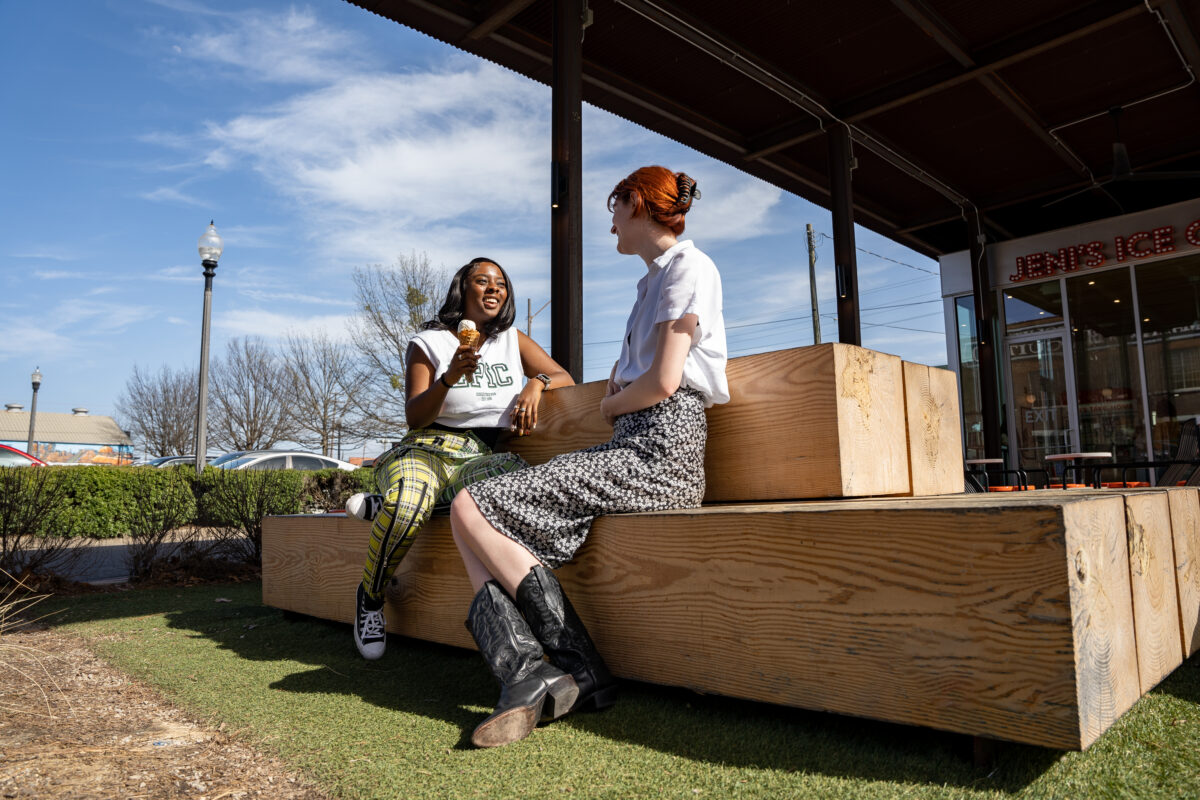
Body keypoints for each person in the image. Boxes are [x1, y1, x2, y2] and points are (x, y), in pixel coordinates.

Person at [448, 166, 730, 747]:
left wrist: (611, 406)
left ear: (637, 204)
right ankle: (540, 671)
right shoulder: (652, 282)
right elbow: (642, 377)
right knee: (467, 510)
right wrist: (619, 396)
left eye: (615, 208)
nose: (610, 225)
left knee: (472, 504)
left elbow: (665, 382)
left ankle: (565, 670)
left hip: (661, 450)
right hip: (636, 444)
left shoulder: (689, 267)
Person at [348, 257, 574, 662]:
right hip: (427, 449)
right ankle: (370, 597)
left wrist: (536, 385)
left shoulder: (511, 341)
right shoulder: (430, 342)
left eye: (501, 283)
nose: (493, 289)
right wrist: (449, 376)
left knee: (515, 484)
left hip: (479, 456)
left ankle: (394, 503)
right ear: (462, 290)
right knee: (409, 501)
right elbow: (415, 415)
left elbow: (564, 377)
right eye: (482, 281)